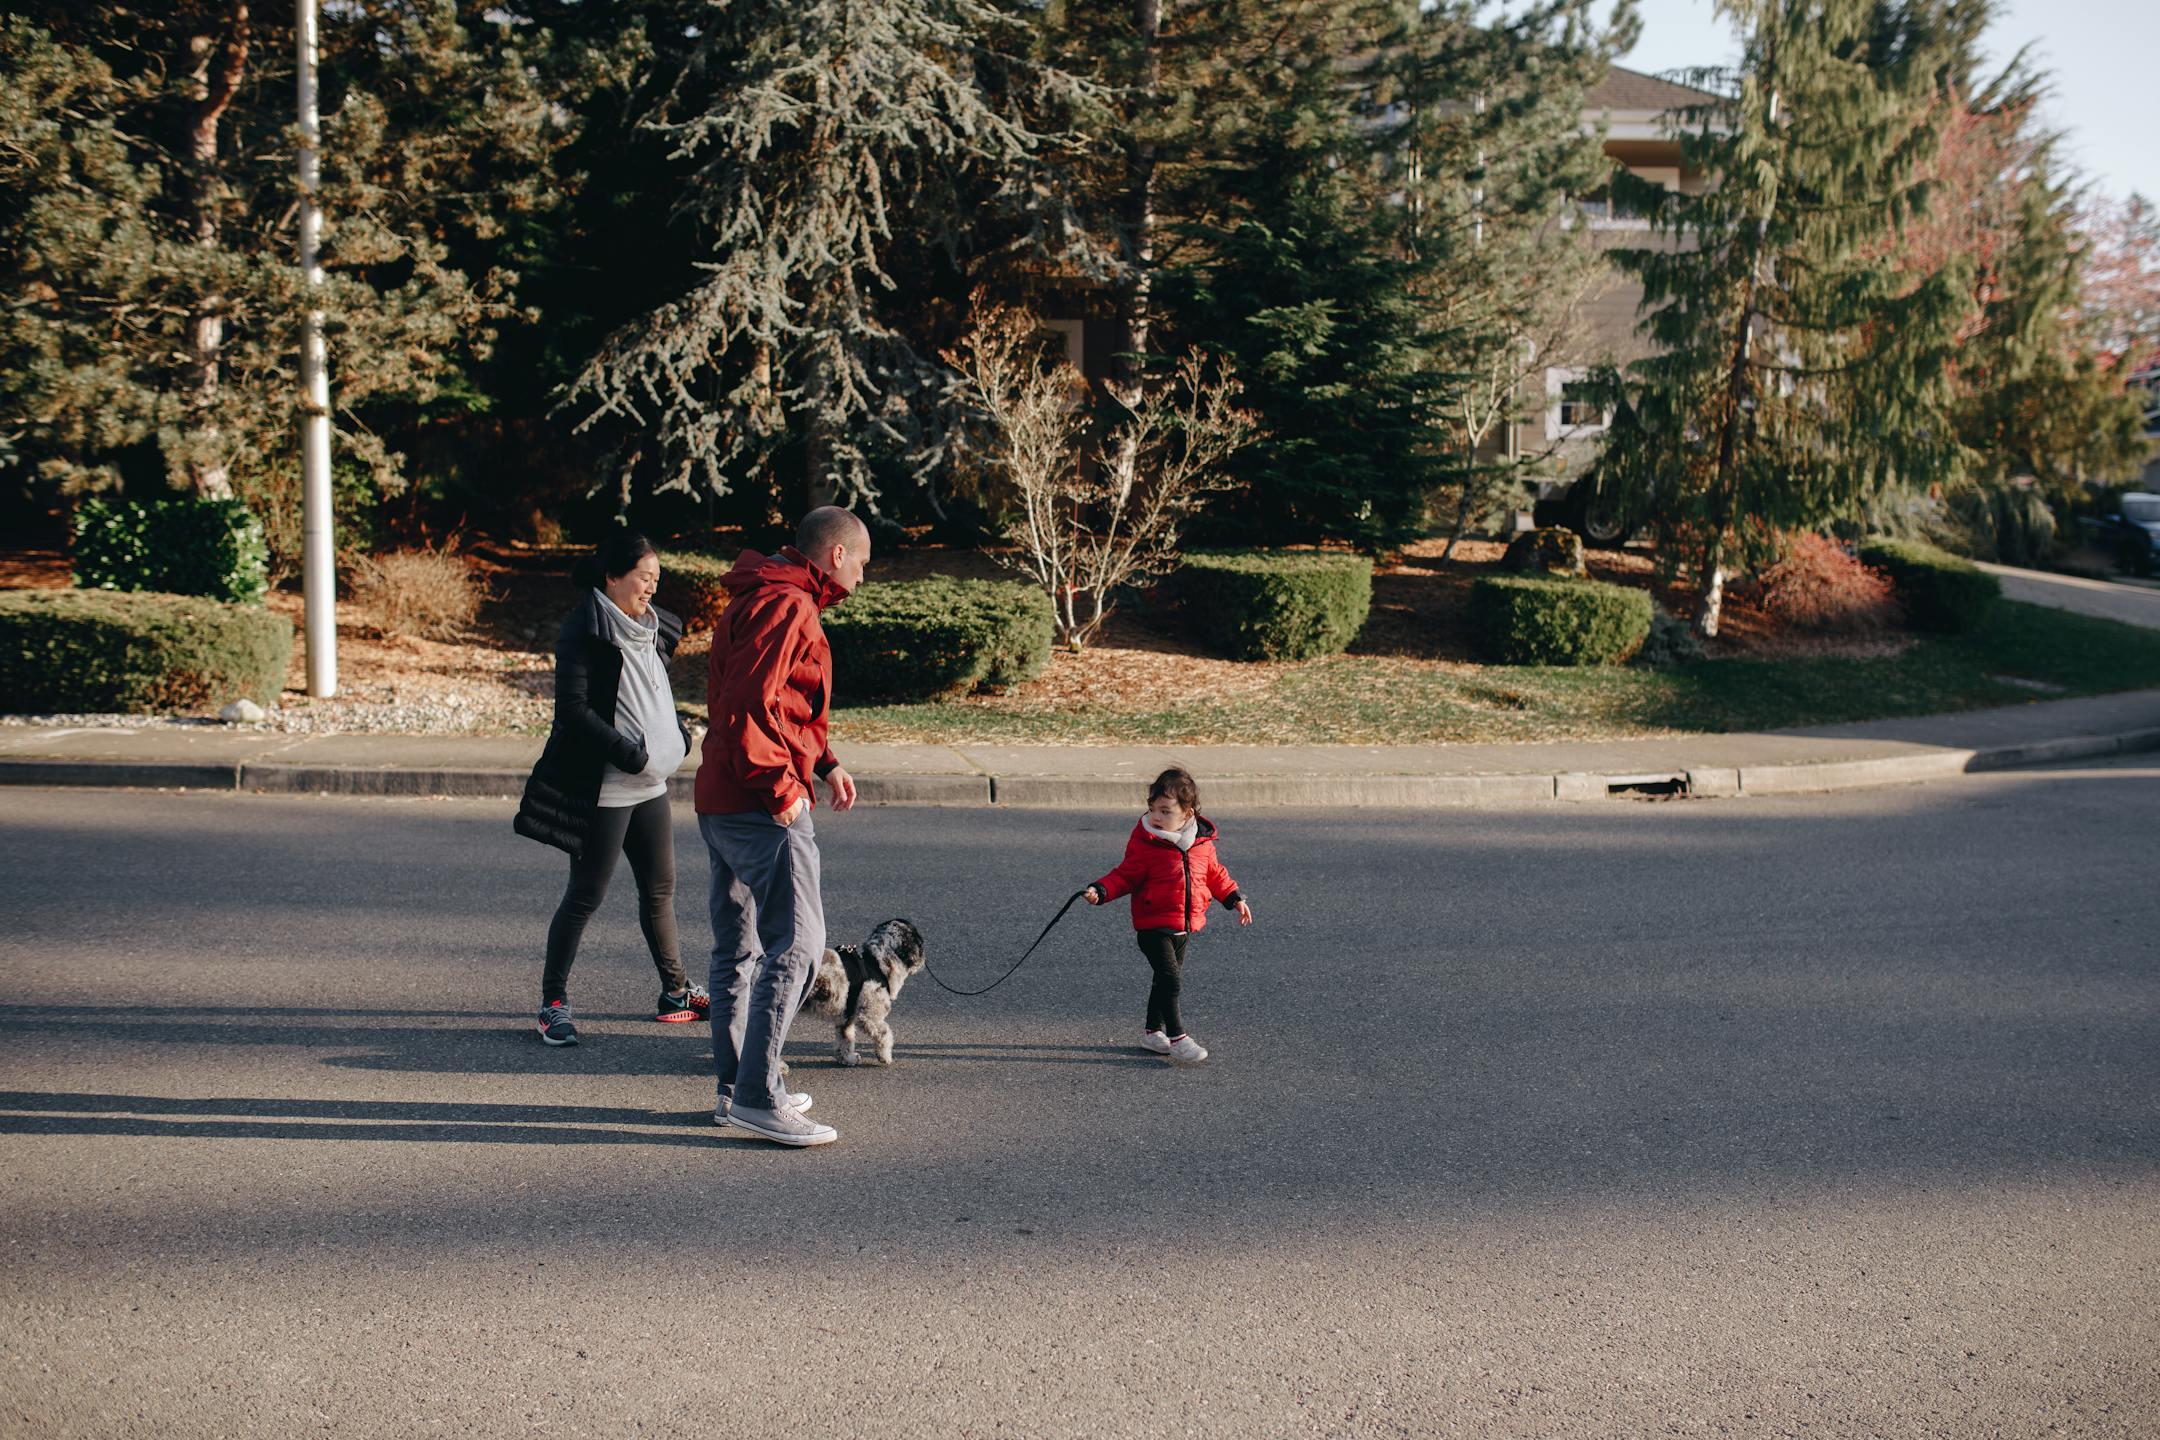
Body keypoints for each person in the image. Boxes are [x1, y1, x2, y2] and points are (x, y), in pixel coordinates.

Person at [697, 506, 870, 1147]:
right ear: (835, 556)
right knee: (797, 946)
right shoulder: (790, 604)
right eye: (862, 563)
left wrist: (824, 761)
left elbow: (767, 698)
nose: (862, 577)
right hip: (756, 800)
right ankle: (758, 1097)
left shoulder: (764, 592)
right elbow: (746, 705)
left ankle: (736, 1086)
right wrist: (782, 791)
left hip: (721, 798)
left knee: (738, 949)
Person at [513, 532, 703, 1046]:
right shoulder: (585, 630)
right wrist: (632, 754)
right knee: (585, 896)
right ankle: (552, 1002)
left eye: (656, 580)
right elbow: (572, 713)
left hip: (652, 786)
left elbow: (654, 691)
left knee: (660, 889)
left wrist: (677, 735)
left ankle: (676, 993)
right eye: (644, 578)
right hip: (608, 788)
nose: (651, 588)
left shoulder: (652, 626)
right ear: (612, 577)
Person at [1083, 766, 1252, 1064]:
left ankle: (1152, 1033)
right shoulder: (1147, 843)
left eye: (1165, 810)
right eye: (1152, 809)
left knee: (1163, 982)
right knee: (1170, 980)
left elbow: (1215, 875)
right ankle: (1178, 1038)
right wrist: (1101, 890)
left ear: (1188, 814)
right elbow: (1125, 875)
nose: (1156, 817)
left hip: (1183, 926)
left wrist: (1234, 898)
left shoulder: (1201, 843)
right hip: (1152, 925)